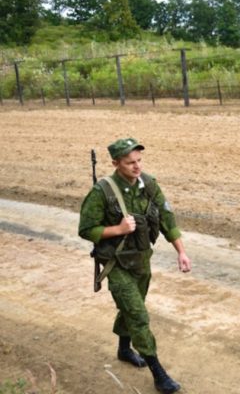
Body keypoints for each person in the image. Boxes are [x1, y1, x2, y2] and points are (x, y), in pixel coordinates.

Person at [79, 138, 191, 394]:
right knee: (138, 315)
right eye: (130, 162)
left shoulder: (149, 184)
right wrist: (117, 229)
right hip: (115, 264)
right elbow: (85, 229)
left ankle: (123, 349)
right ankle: (158, 373)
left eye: (139, 161)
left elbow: (166, 219)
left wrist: (181, 252)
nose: (137, 166)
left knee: (132, 308)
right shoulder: (102, 192)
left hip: (141, 260)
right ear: (116, 163)